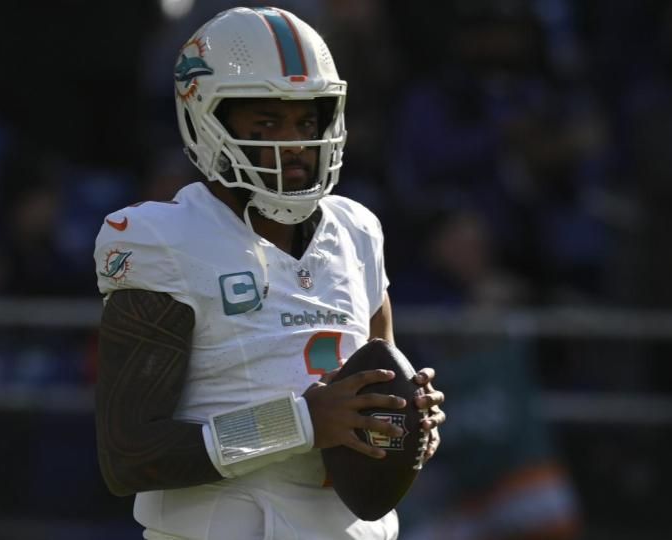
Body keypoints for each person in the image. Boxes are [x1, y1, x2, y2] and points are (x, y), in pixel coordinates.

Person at [92, 7, 445, 539]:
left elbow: (374, 381)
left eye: (307, 120)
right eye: (267, 123)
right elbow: (130, 455)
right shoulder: (161, 238)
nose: (297, 144)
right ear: (205, 121)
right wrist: (300, 423)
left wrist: (402, 420)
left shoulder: (357, 230)